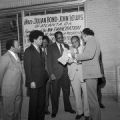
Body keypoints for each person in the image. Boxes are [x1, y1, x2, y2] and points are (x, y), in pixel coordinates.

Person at [75, 28, 102, 120]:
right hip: (91, 73)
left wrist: (76, 56)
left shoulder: (91, 40)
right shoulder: (93, 41)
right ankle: (93, 117)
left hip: (91, 74)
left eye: (82, 36)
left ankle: (95, 118)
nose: (82, 38)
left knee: (92, 100)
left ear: (85, 34)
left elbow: (89, 55)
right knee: (91, 99)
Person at [47, 31, 75, 118]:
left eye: (62, 37)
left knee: (66, 92)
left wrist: (71, 58)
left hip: (65, 73)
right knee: (55, 93)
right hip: (55, 74)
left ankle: (68, 108)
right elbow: (48, 62)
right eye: (59, 38)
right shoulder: (50, 47)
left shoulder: (66, 46)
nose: (61, 39)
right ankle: (54, 110)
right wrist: (51, 73)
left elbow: (70, 59)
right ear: (55, 38)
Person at [23, 30, 49, 120]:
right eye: (40, 39)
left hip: (42, 81)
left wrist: (46, 76)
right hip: (34, 82)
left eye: (42, 39)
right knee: (34, 104)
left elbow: (42, 66)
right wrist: (31, 81)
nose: (42, 41)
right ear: (34, 39)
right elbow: (27, 68)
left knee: (41, 103)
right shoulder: (28, 51)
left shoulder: (40, 50)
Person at [0, 39, 23, 120]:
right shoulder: (5, 58)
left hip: (18, 90)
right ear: (12, 47)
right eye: (18, 45)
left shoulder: (17, 56)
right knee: (9, 114)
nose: (20, 46)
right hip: (8, 92)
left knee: (17, 113)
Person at [67, 36, 89, 120]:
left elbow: (87, 60)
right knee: (77, 95)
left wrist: (79, 59)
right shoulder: (69, 50)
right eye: (72, 42)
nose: (74, 44)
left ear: (79, 41)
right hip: (74, 75)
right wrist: (70, 59)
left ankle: (87, 113)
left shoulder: (84, 49)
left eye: (75, 41)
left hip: (83, 74)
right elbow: (67, 61)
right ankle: (79, 112)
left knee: (86, 96)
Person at [42, 35, 51, 114]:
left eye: (46, 42)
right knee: (44, 94)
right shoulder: (38, 50)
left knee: (48, 93)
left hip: (51, 75)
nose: (44, 43)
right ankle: (43, 108)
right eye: (43, 42)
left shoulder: (50, 50)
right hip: (43, 76)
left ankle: (46, 108)